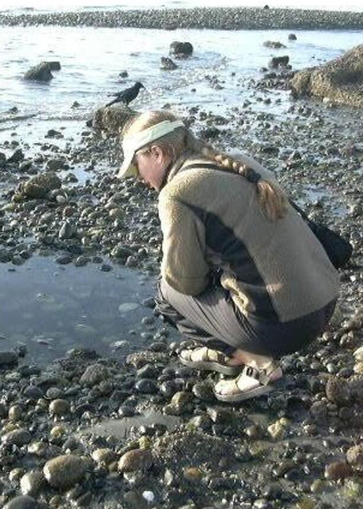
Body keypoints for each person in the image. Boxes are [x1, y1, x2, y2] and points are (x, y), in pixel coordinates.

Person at [117, 110, 339, 402]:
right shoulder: (239, 163)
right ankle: (227, 353)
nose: (138, 177)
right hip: (325, 302)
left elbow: (185, 283)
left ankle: (257, 363)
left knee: (166, 293)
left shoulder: (176, 192)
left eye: (136, 165)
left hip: (286, 326)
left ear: (156, 153)